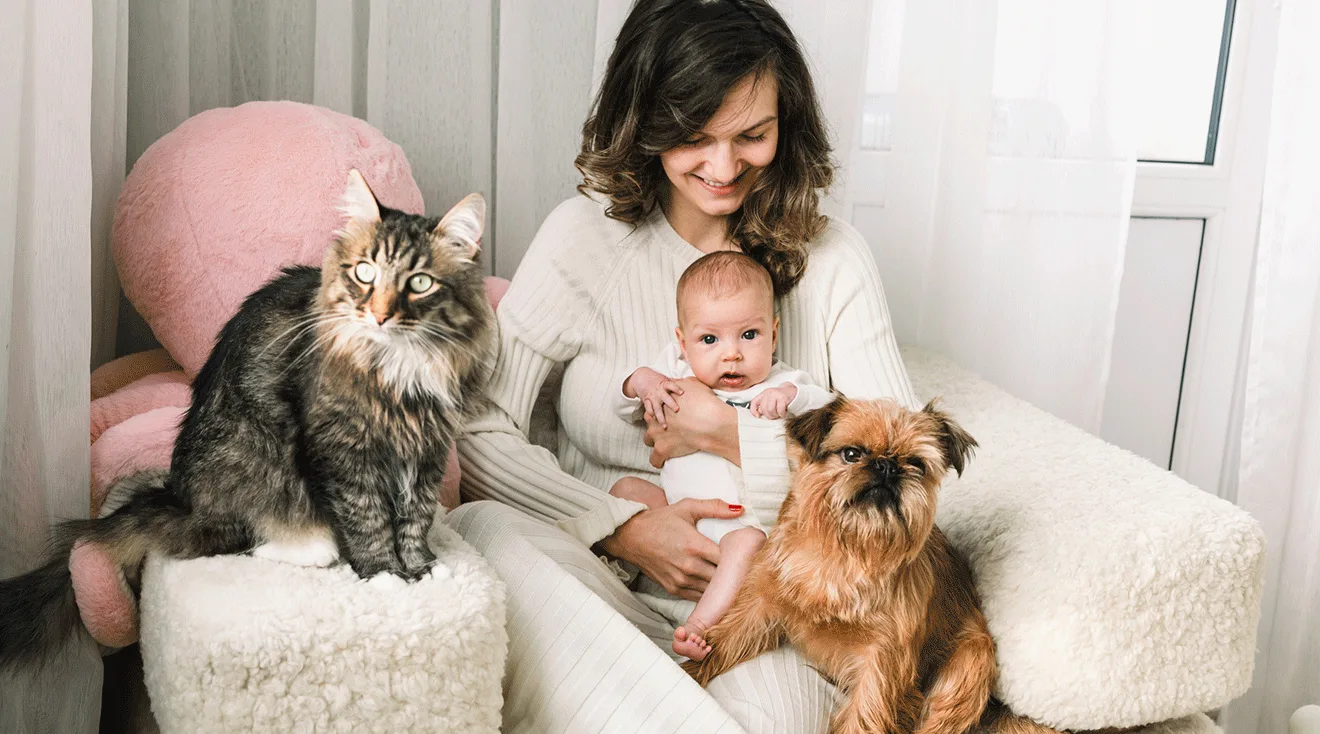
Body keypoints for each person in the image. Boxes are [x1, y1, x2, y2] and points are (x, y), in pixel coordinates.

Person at [451, 0, 916, 731]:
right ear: (643, 126)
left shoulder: (835, 261)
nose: (724, 167)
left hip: (768, 610)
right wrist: (616, 524)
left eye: (753, 136)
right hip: (597, 580)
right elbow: (477, 430)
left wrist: (729, 438)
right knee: (484, 533)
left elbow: (902, 474)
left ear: (786, 128)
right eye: (694, 137)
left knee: (777, 717)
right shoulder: (582, 238)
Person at [611, 250, 835, 661]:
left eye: (749, 335)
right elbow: (622, 406)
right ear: (682, 343)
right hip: (677, 514)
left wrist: (790, 397)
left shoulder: (783, 381)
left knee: (747, 542)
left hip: (742, 526)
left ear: (774, 333)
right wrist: (644, 382)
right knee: (625, 489)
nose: (731, 354)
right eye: (709, 340)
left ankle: (700, 623)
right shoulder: (675, 375)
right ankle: (622, 572)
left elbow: (831, 409)